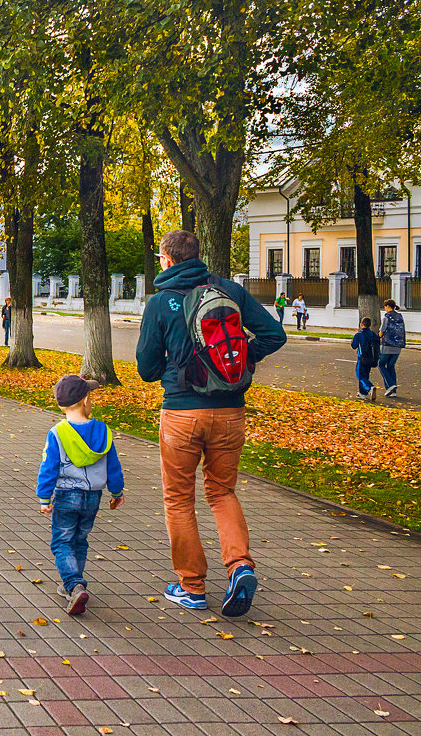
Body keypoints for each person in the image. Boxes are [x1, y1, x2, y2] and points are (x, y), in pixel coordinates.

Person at [136, 230, 286, 617]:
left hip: (182, 414)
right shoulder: (230, 291)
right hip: (232, 411)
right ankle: (240, 566)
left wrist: (181, 364)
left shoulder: (160, 302)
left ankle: (192, 587)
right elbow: (274, 333)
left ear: (167, 259)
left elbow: (148, 370)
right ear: (197, 256)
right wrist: (239, 357)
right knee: (222, 492)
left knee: (179, 498)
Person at [37, 375, 124, 616]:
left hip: (66, 495)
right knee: (80, 540)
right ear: (86, 400)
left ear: (61, 405)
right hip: (93, 497)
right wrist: (116, 491)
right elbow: (113, 466)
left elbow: (48, 467)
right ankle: (73, 584)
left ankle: (74, 585)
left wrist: (44, 498)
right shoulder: (103, 431)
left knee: (62, 541)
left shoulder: (57, 433)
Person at [379, 299, 405, 397]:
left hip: (388, 345)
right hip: (398, 346)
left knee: (381, 364)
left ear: (388, 306)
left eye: (385, 307)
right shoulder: (400, 316)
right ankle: (393, 392)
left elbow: (382, 330)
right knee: (391, 366)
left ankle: (390, 385)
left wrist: (378, 337)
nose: (384, 308)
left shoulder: (387, 317)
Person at [352, 316, 380, 401]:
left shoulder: (359, 335)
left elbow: (354, 345)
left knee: (360, 375)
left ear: (362, 324)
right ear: (370, 325)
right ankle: (362, 393)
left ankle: (369, 387)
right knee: (365, 375)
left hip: (362, 358)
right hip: (371, 358)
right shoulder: (373, 334)